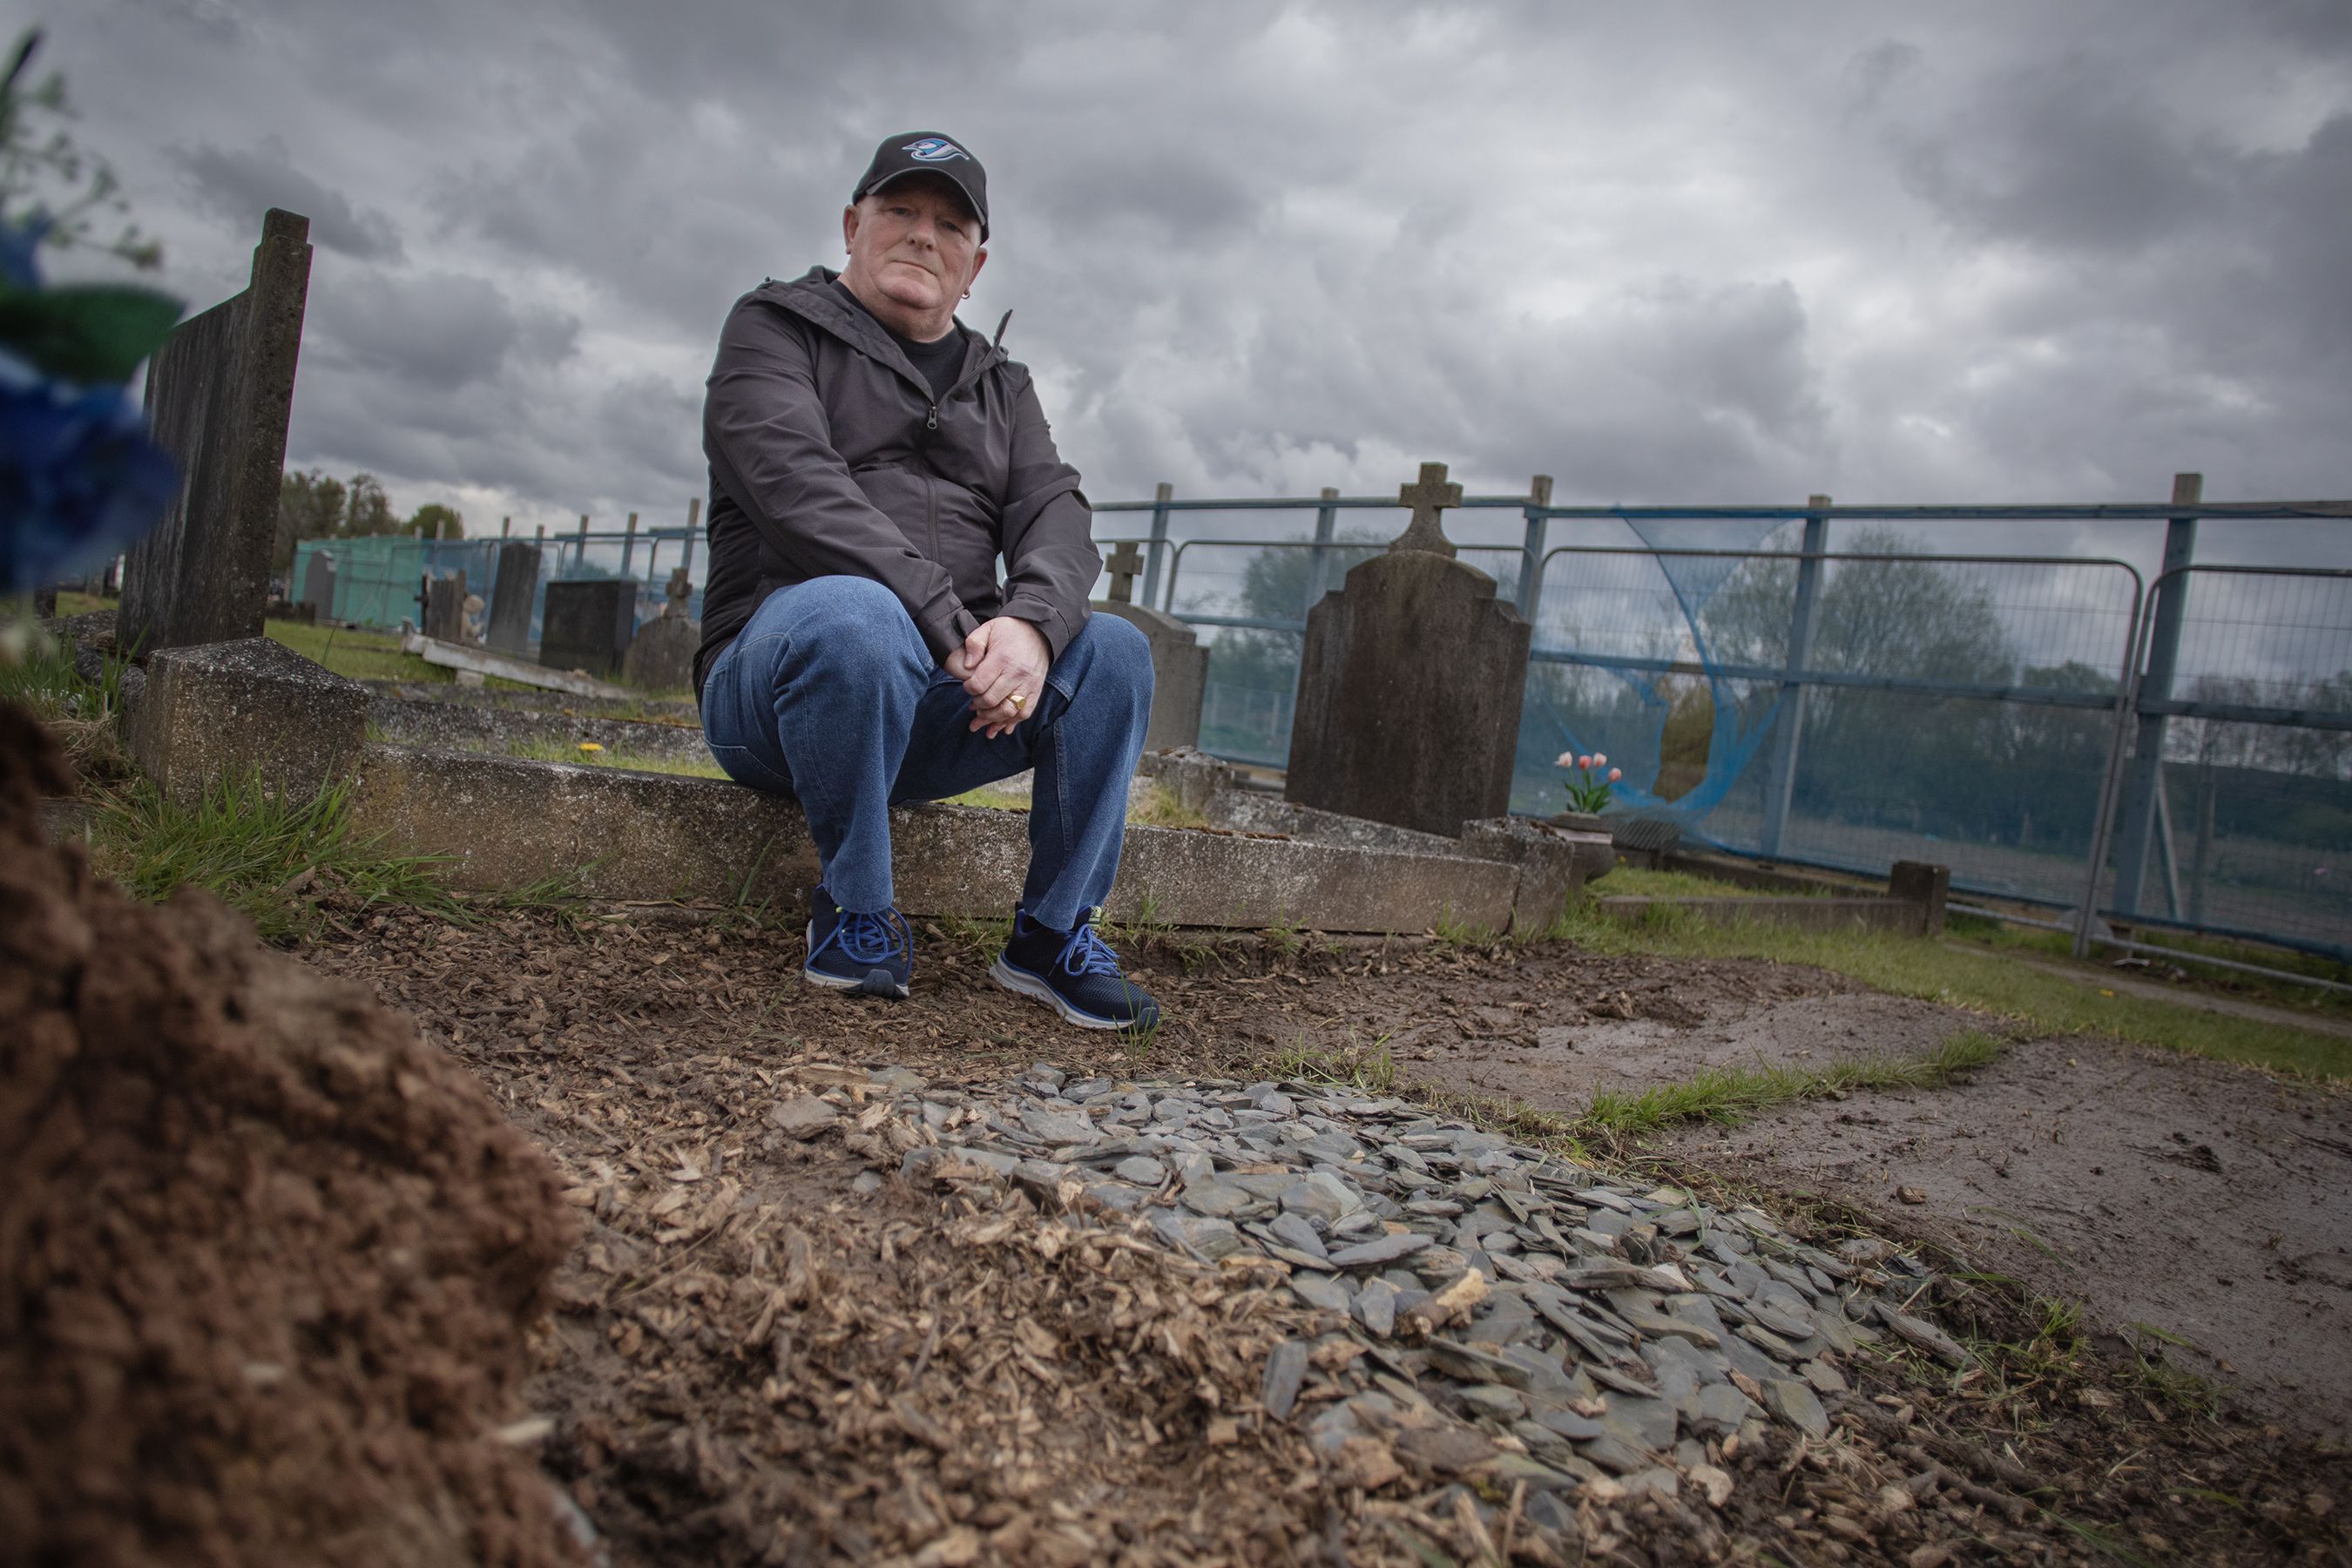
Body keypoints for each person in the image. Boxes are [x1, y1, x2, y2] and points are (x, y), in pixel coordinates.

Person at [695, 132, 1159, 1031]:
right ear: (851, 224)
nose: (922, 236)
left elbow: (1056, 513)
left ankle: (1050, 937)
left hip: (940, 703)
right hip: (781, 688)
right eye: (899, 211)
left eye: (949, 225)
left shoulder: (1003, 386)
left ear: (975, 264)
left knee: (1113, 653)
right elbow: (797, 486)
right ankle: (858, 909)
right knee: (857, 613)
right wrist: (954, 626)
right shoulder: (773, 329)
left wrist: (1028, 627)